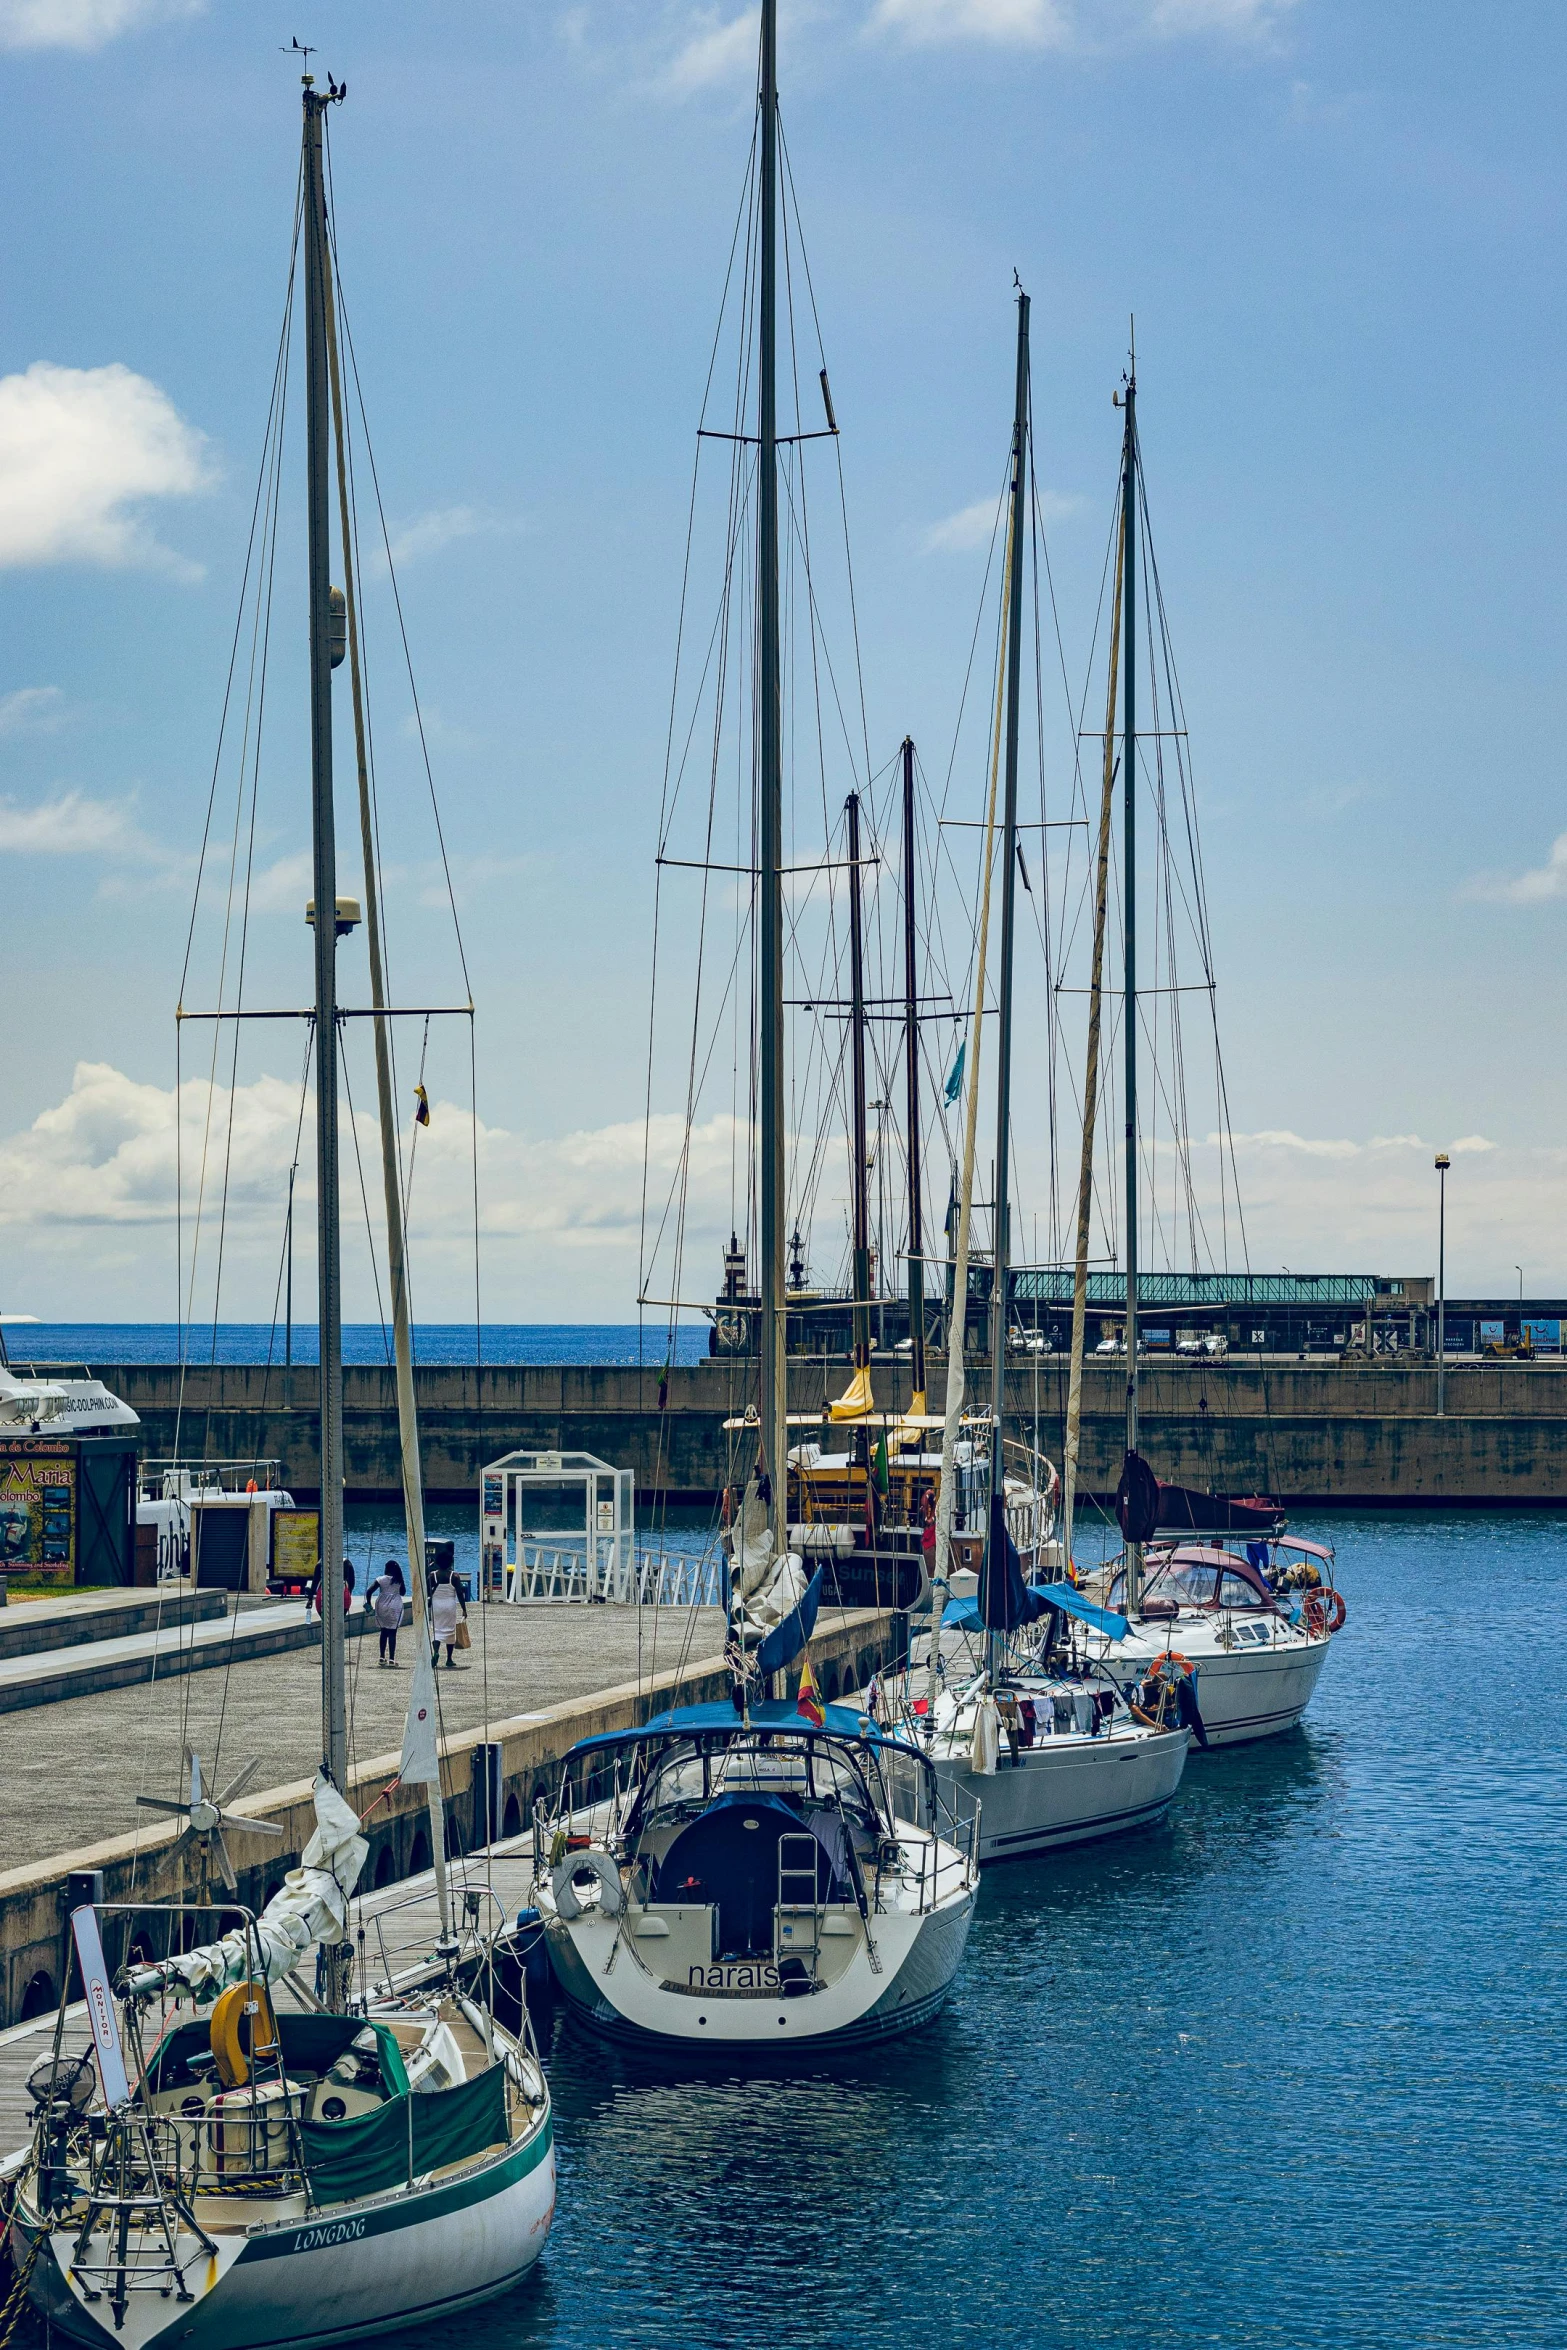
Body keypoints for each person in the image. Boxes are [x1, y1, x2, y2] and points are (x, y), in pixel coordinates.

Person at [429, 1561, 467, 1670]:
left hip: (436, 1606)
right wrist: (464, 1609)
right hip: (449, 1606)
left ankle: (436, 1652)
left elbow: (427, 1589)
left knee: (436, 1630)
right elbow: (459, 1593)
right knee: (450, 1631)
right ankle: (449, 1659)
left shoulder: (433, 1575)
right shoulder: (454, 1576)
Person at [369, 1560, 406, 1667]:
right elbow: (403, 1593)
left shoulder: (380, 1579)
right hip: (395, 1606)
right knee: (392, 1632)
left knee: (383, 1631)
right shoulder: (398, 1579)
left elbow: (369, 1591)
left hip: (381, 1605)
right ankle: (391, 1659)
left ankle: (381, 1657)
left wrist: (368, 1603)